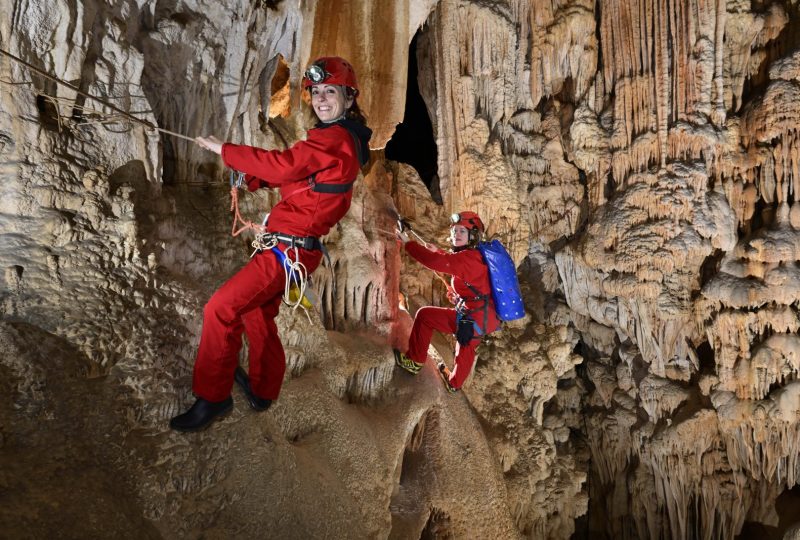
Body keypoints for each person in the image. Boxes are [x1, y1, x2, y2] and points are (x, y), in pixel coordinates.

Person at [170, 56, 372, 431]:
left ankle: (213, 398)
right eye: (316, 92)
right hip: (294, 248)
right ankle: (263, 389)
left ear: (349, 99)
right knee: (256, 312)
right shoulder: (338, 141)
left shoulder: (337, 137)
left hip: (289, 251)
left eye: (332, 92)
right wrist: (252, 180)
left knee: (221, 308)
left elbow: (285, 166)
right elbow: (301, 178)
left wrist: (225, 150)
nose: (322, 99)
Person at [394, 211, 499, 392]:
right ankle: (446, 378)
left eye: (462, 232)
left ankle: (437, 374)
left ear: (472, 236)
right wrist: (440, 252)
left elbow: (438, 263)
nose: (457, 235)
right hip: (476, 313)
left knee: (462, 342)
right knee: (457, 339)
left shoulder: (469, 258)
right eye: (455, 231)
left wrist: (408, 244)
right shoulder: (470, 255)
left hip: (477, 318)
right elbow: (452, 263)